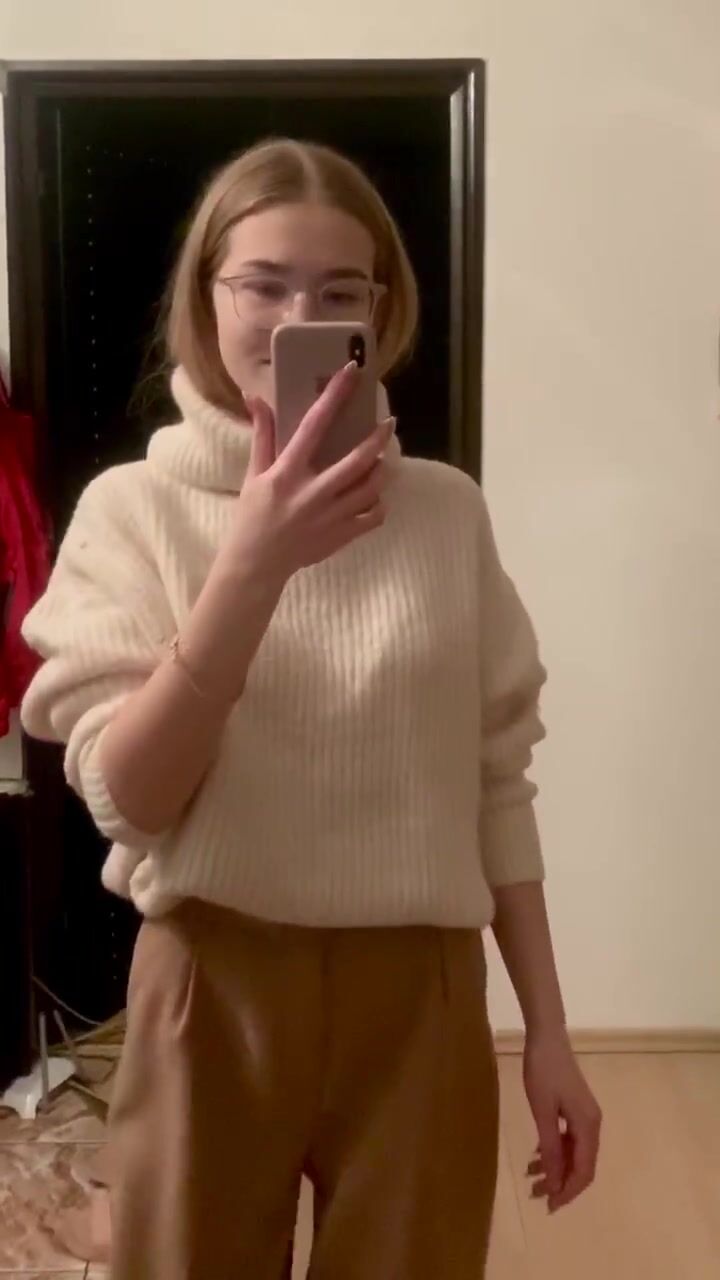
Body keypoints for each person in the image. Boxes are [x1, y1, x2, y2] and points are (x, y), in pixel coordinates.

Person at [20, 138, 601, 1280]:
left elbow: (498, 781)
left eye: (341, 292)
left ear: (382, 310)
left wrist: (549, 1033)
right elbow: (132, 798)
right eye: (266, 284)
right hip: (211, 982)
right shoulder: (132, 510)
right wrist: (250, 566)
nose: (303, 315)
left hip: (423, 995)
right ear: (207, 296)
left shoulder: (444, 514)